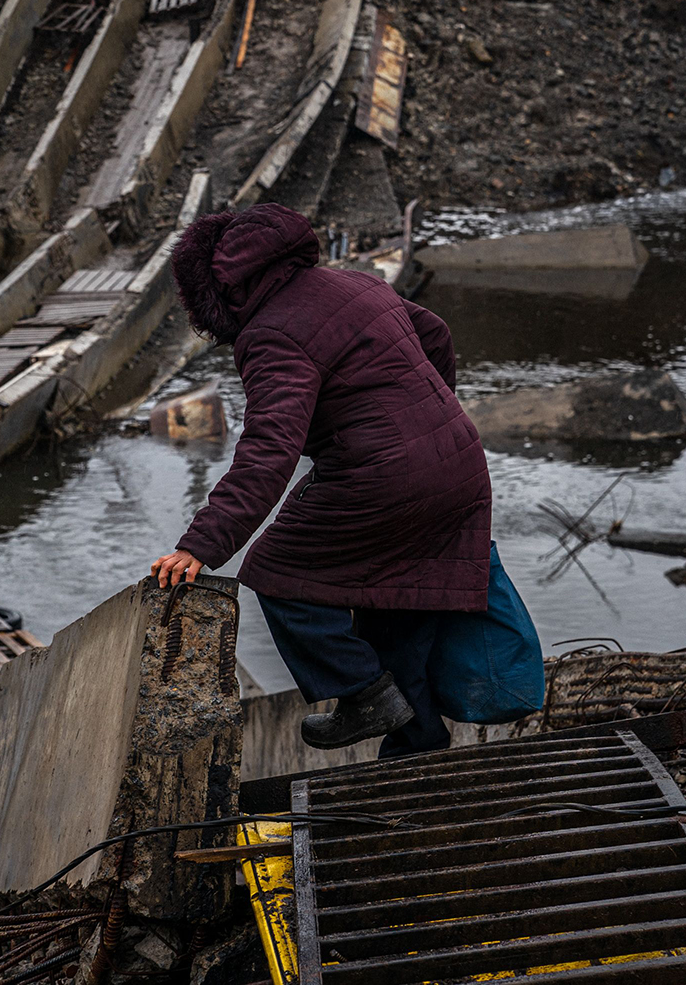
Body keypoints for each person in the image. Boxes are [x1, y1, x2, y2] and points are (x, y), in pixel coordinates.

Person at [146, 204, 492, 756]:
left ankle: (361, 692)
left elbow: (269, 449)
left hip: (384, 480)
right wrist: (431, 415)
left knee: (280, 572)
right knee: (399, 616)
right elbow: (437, 333)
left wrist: (202, 545)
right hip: (460, 467)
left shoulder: (270, 335)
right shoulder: (356, 284)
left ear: (220, 293)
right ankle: (416, 765)